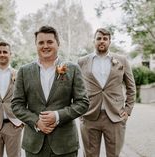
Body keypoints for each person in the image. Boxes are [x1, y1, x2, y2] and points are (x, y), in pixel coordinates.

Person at [11, 25, 89, 157]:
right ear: (36, 45)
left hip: (65, 145)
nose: (45, 46)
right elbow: (16, 105)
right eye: (41, 42)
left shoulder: (73, 69)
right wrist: (36, 121)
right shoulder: (24, 71)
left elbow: (83, 103)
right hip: (34, 144)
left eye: (50, 42)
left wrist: (58, 116)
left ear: (58, 44)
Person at [78, 28, 136, 157]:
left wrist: (128, 110)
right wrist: (80, 110)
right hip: (89, 116)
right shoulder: (82, 61)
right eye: (99, 38)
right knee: (90, 155)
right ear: (94, 41)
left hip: (115, 116)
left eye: (105, 39)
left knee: (114, 154)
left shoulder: (122, 60)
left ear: (110, 41)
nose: (102, 41)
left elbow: (131, 87)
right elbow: (76, 88)